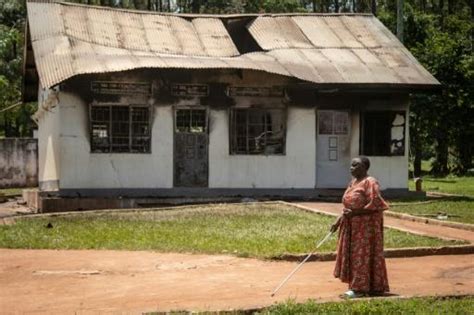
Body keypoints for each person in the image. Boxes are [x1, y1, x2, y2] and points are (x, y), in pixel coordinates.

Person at [330, 156, 390, 298]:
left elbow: (376, 204)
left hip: (365, 229)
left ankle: (360, 289)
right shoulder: (353, 183)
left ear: (364, 167)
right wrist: (338, 221)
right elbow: (348, 206)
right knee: (353, 256)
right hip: (351, 227)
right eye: (351, 165)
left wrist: (356, 213)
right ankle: (358, 286)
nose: (351, 168)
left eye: (355, 165)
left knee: (361, 256)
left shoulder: (370, 182)